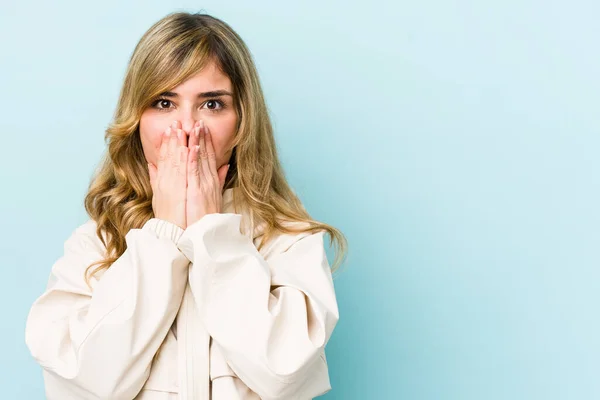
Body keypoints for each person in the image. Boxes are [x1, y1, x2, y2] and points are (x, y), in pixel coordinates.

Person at [24, 11, 347, 400]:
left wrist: (213, 232)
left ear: (243, 120)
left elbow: (285, 375)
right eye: (164, 103)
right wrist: (164, 237)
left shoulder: (289, 240)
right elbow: (83, 386)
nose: (188, 129)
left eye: (211, 104)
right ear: (136, 120)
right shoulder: (95, 245)